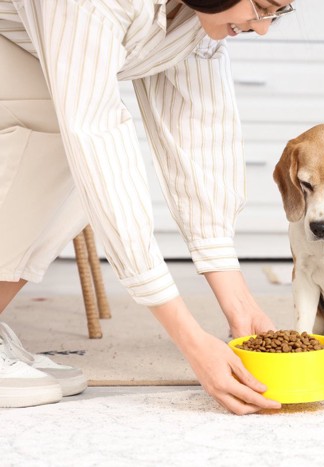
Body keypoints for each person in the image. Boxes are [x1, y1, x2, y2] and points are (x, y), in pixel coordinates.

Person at [0, 0, 295, 414]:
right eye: (262, 7)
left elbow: (200, 134)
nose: (262, 30)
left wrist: (239, 304)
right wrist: (190, 339)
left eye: (280, 12)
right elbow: (96, 141)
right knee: (72, 140)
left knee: (83, 156)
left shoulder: (200, 18)